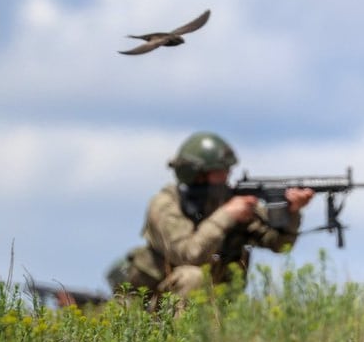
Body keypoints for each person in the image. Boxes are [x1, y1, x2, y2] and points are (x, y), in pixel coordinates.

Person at [117, 131, 314, 308]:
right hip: (151, 307)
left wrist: (291, 213)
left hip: (211, 304)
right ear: (198, 174)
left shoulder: (227, 202)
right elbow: (188, 254)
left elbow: (278, 244)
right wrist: (226, 216)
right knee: (192, 277)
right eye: (219, 171)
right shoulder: (165, 205)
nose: (227, 175)